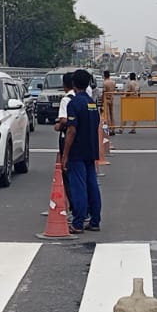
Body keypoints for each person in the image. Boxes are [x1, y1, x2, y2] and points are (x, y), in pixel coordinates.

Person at [60, 69, 103, 233]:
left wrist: (65, 154)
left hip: (77, 151)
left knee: (79, 186)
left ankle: (78, 222)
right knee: (92, 184)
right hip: (91, 149)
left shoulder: (74, 103)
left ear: (73, 84)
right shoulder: (92, 103)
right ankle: (95, 220)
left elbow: (71, 130)